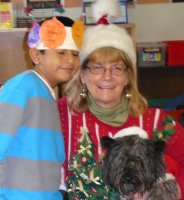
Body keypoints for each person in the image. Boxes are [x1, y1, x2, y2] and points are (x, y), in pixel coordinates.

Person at [57, 0, 184, 199]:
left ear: (127, 77)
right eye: (97, 67)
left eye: (117, 68)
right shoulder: (62, 116)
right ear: (82, 75)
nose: (107, 76)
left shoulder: (157, 122)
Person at [0, 16, 82, 199]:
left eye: (75, 54)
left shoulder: (46, 94)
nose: (70, 60)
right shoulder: (21, 88)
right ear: (36, 55)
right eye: (61, 52)